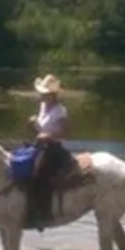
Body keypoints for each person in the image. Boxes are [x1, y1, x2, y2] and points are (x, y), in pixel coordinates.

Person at [26, 74, 71, 228]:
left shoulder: (60, 111)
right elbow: (41, 129)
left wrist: (49, 136)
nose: (43, 97)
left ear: (53, 95)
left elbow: (65, 133)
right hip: (40, 146)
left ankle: (44, 214)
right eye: (42, 94)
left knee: (40, 177)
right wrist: (34, 125)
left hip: (53, 148)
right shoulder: (43, 107)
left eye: (46, 95)